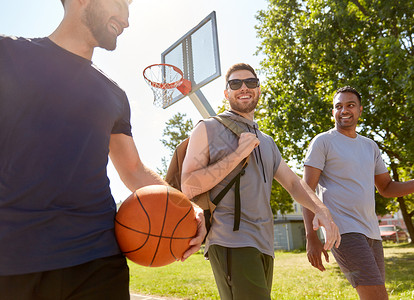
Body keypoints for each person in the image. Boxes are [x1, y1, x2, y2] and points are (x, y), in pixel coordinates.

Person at [0, 0, 205, 299]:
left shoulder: (113, 94)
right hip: (13, 258)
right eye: (121, 4)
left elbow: (133, 170)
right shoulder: (9, 55)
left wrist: (186, 207)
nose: (127, 20)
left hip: (96, 258)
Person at [181, 63, 341, 300]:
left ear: (258, 89)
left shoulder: (267, 142)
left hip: (265, 245)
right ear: (226, 93)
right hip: (230, 241)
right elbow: (189, 185)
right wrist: (237, 155)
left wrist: (321, 210)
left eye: (251, 82)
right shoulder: (207, 128)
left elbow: (293, 183)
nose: (244, 87)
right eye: (235, 84)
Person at [302, 86, 414, 300]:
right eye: (338, 106)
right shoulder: (323, 142)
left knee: (375, 295)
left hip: (371, 232)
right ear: (333, 112)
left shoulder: (370, 146)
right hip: (342, 231)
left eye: (350, 105)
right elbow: (306, 190)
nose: (344, 110)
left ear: (360, 110)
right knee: (377, 296)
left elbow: (386, 187)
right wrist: (311, 236)